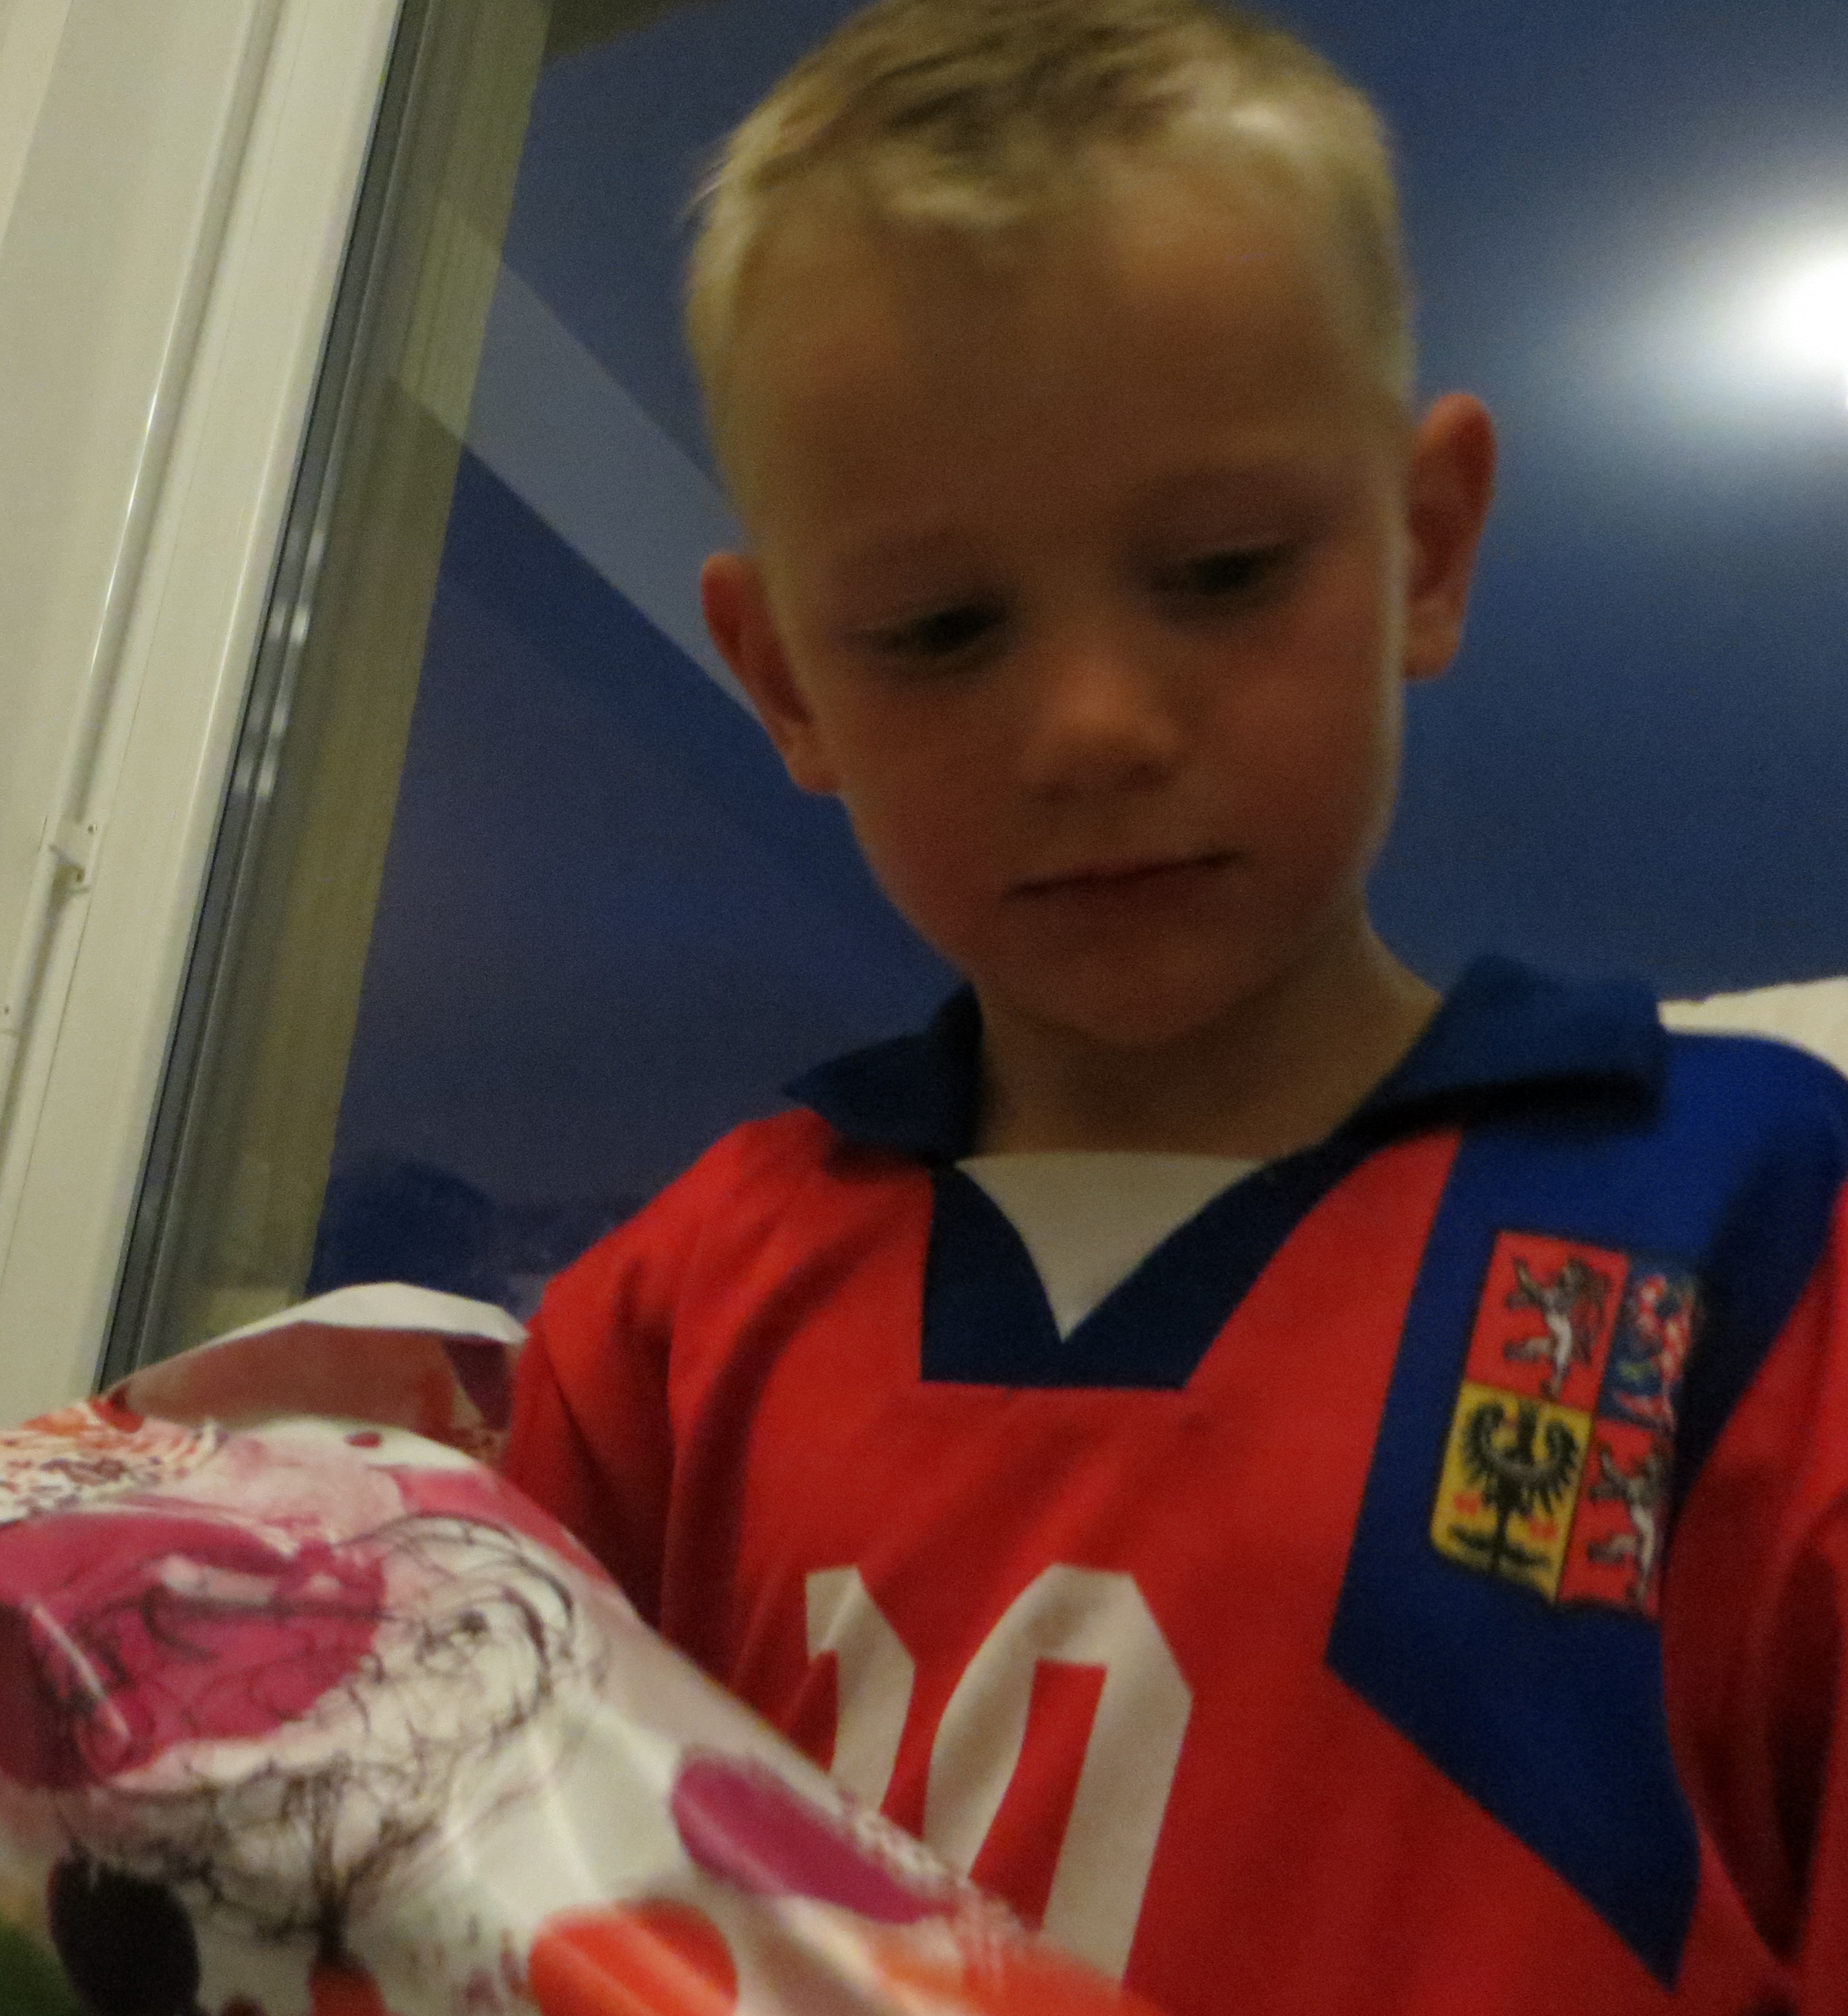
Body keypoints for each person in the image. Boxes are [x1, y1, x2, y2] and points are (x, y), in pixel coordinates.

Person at [497, 3, 1848, 2012]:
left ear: (1425, 549)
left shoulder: (1755, 1225)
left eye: (1220, 573)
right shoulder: (668, 1332)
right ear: (783, 681)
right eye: (942, 628)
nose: (1096, 727)